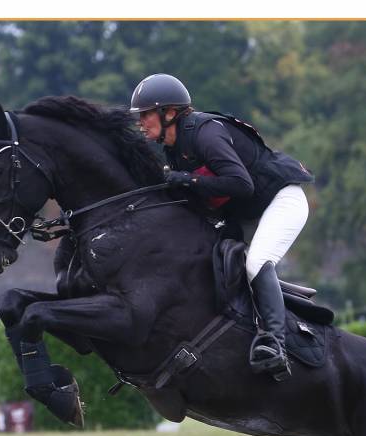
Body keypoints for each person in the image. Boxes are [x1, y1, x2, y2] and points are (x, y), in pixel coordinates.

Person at [129, 73, 314, 380]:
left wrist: (188, 180)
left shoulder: (205, 134)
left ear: (169, 113)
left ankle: (275, 344)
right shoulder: (174, 150)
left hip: (282, 200)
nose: (141, 122)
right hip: (245, 214)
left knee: (256, 263)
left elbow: (242, 185)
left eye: (146, 114)